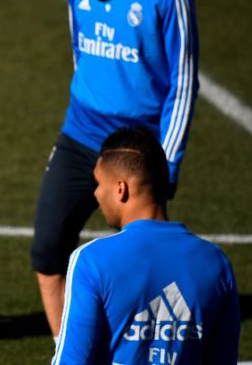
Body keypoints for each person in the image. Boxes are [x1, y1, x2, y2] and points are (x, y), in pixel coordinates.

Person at [31, 0, 200, 350]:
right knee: (47, 252)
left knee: (137, 264)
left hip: (138, 149)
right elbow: (78, 49)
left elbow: (183, 83)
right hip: (79, 136)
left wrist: (168, 161)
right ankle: (68, 352)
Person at [53, 127, 240, 364]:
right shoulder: (216, 263)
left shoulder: (92, 260)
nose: (97, 193)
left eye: (99, 183)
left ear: (121, 189)